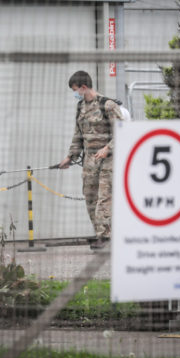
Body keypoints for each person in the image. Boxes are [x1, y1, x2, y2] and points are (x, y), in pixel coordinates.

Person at [59, 71, 125, 250]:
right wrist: (70, 157)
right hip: (90, 160)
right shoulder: (80, 107)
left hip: (108, 159)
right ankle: (100, 233)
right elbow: (77, 134)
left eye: (76, 90)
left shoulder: (108, 105)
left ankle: (105, 237)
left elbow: (122, 132)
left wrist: (107, 148)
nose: (76, 94)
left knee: (104, 197)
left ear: (84, 87)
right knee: (90, 196)